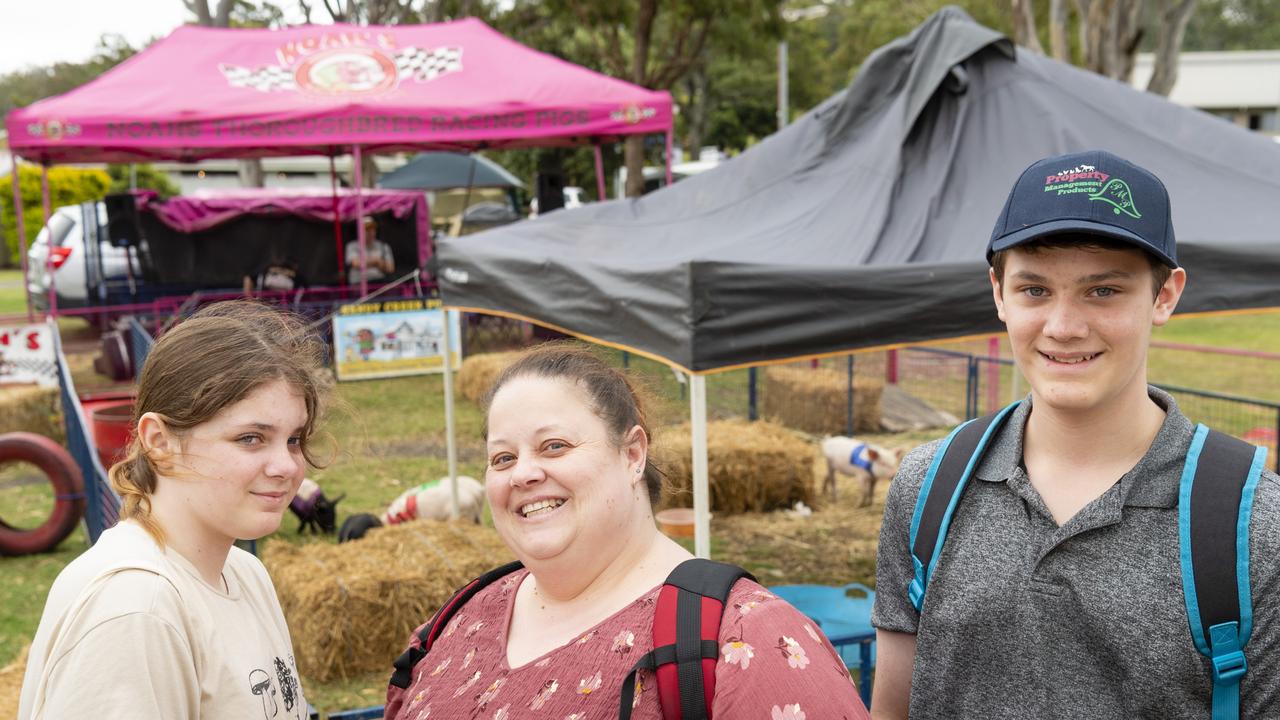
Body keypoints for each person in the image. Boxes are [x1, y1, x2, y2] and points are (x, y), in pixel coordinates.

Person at [870, 150, 1280, 719]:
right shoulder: (927, 488)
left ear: (1165, 295)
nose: (1063, 328)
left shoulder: (1254, 525)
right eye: (1035, 290)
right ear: (998, 294)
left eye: (1103, 291)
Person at [384, 344, 870, 719]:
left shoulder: (747, 642)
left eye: (554, 446)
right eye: (503, 457)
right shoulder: (459, 619)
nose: (523, 474)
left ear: (633, 454)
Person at [18, 300, 331, 720]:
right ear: (159, 441)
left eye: (293, 439)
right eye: (250, 438)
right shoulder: (137, 609)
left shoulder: (243, 571)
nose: (287, 466)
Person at [345, 216, 395, 287]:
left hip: (379, 282)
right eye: (367, 229)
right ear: (360, 231)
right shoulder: (352, 246)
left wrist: (367, 262)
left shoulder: (383, 246)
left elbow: (390, 268)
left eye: (373, 229)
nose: (371, 232)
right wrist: (377, 262)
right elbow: (356, 263)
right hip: (358, 284)